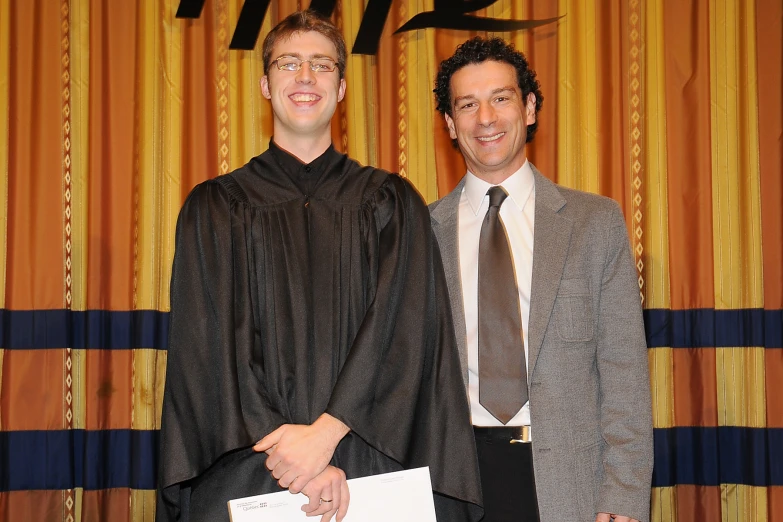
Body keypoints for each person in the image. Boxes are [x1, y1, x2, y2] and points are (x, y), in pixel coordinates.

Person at [157, 10, 482, 522]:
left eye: (321, 65)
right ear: (265, 84)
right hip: (253, 464)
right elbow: (208, 348)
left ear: (342, 85)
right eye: (289, 63)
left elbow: (405, 334)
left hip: (370, 462)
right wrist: (297, 458)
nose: (305, 78)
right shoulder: (216, 207)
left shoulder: (391, 203)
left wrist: (328, 433)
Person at [429, 37, 653, 522]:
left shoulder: (594, 223)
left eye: (501, 98)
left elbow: (624, 373)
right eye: (467, 105)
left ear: (529, 108)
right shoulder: (420, 234)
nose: (485, 118)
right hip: (452, 487)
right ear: (450, 123)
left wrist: (625, 496)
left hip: (570, 484)